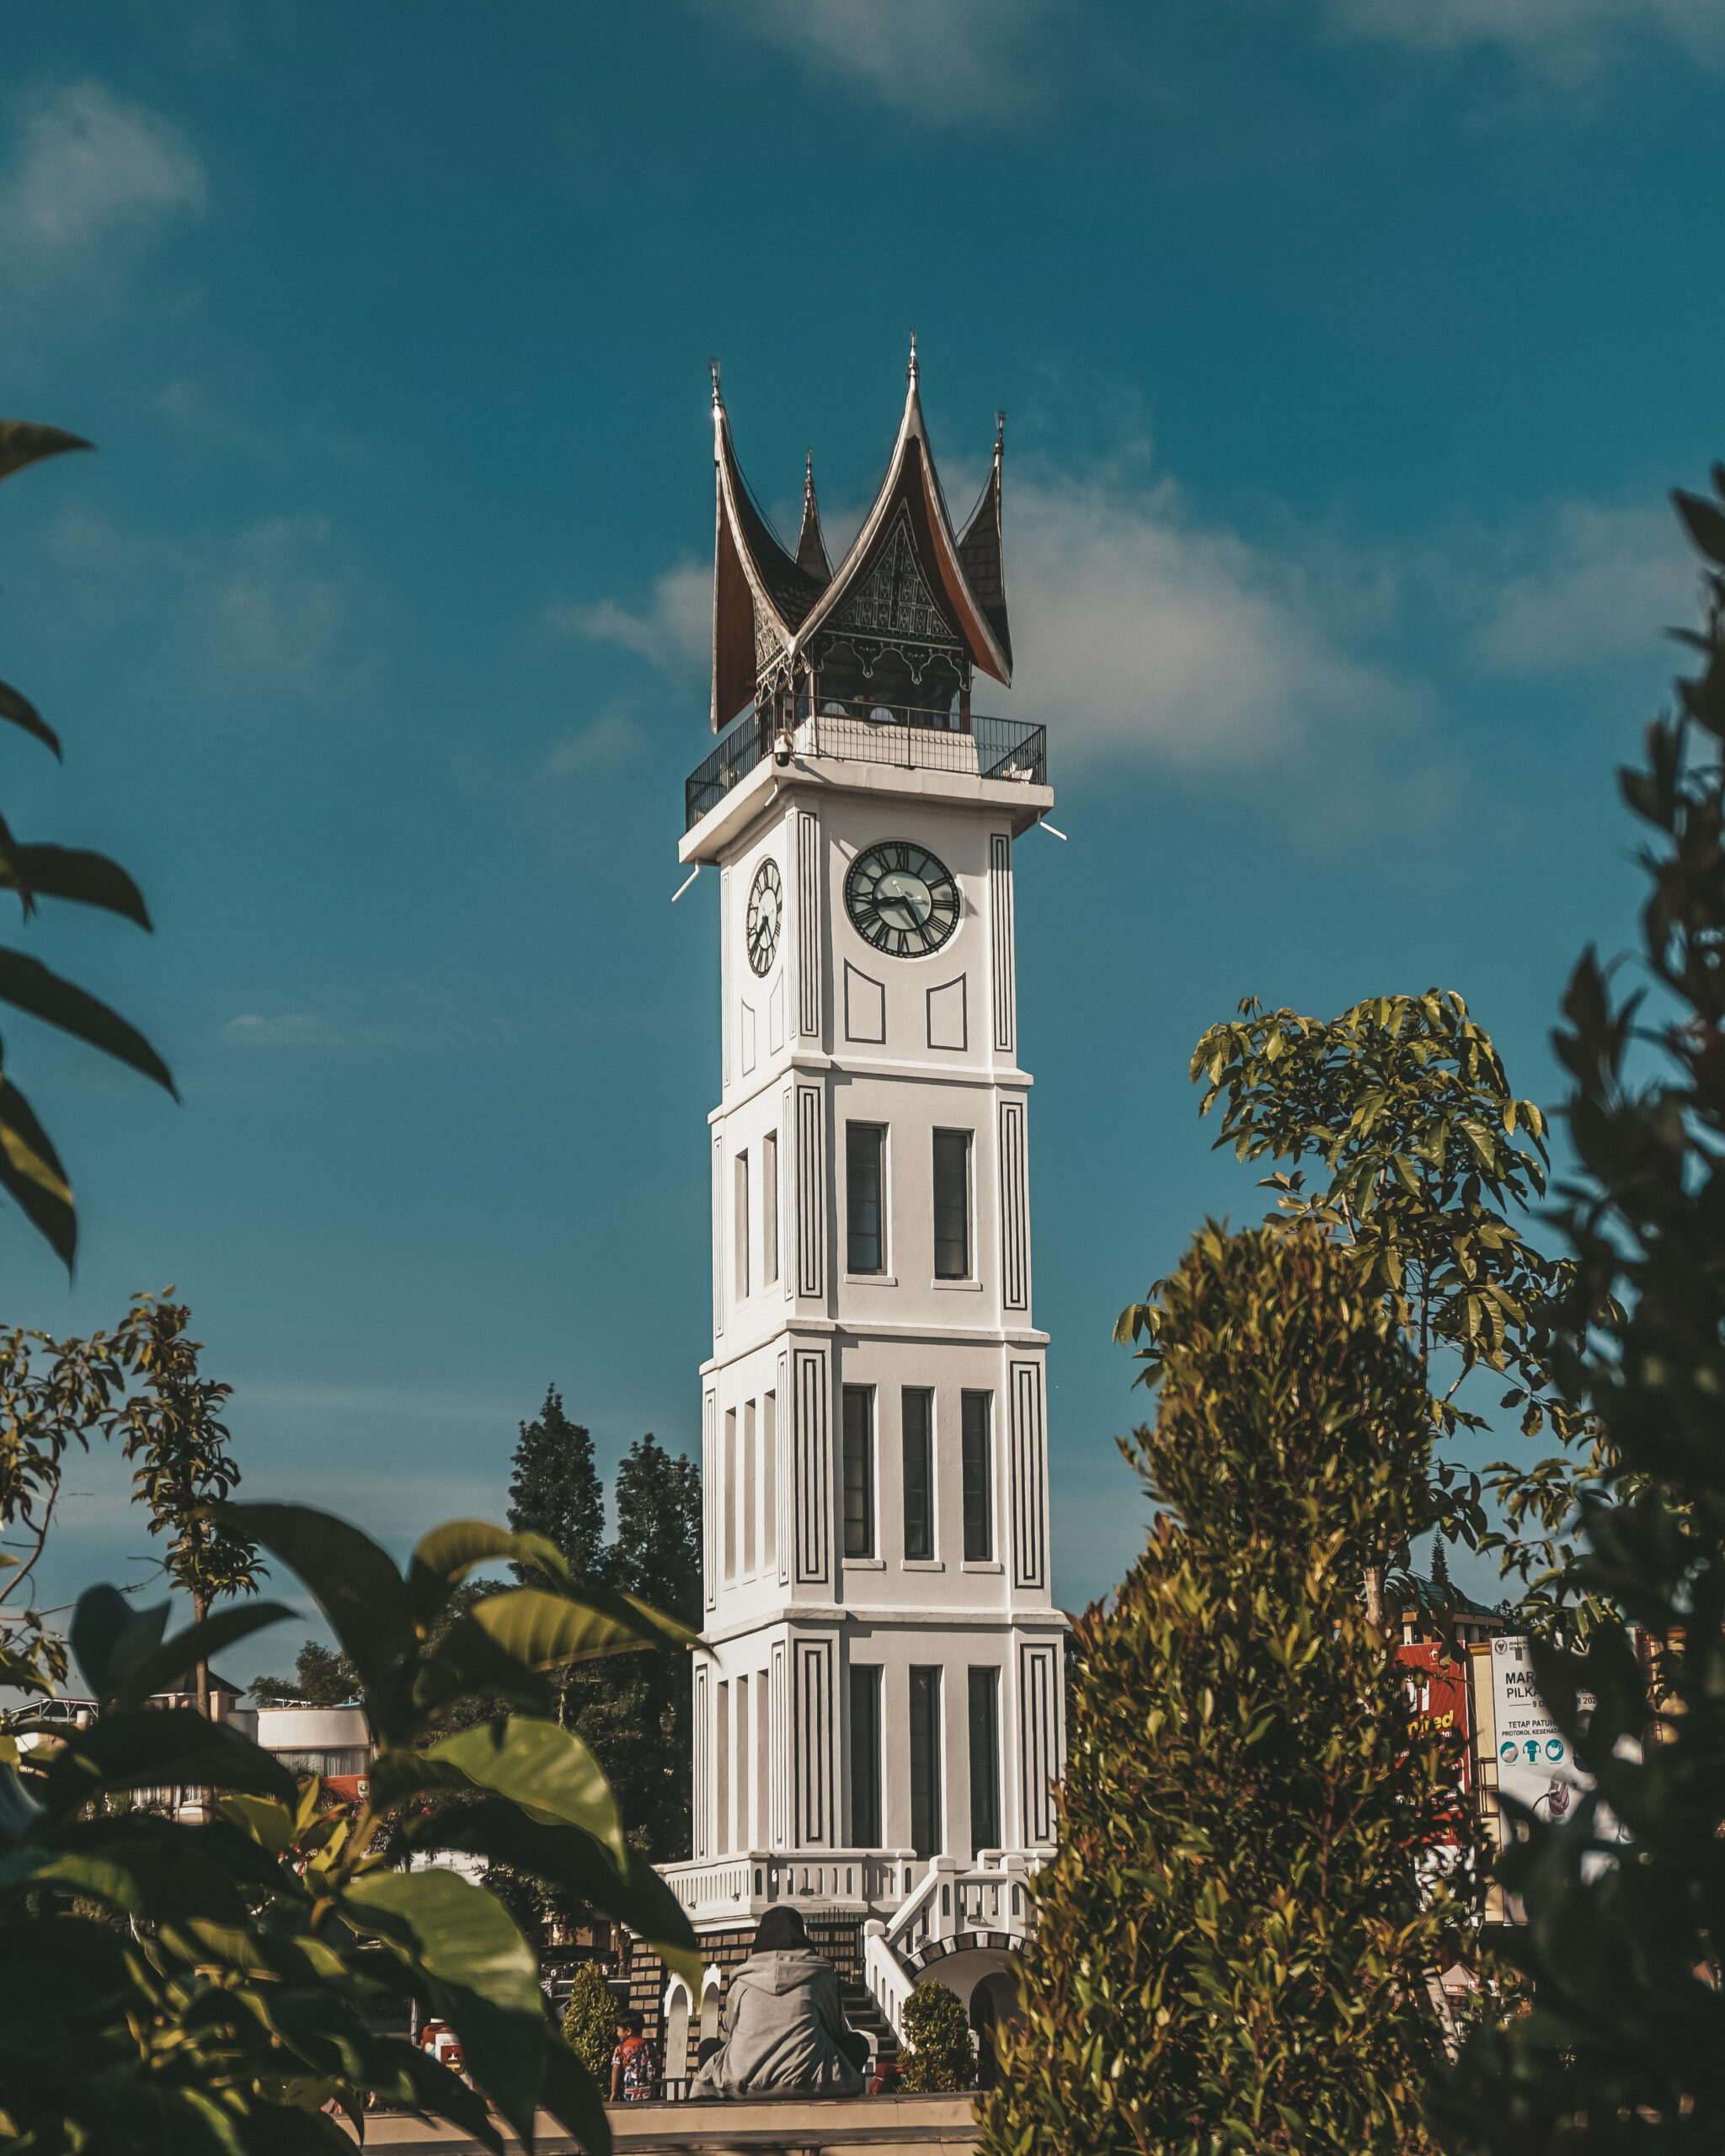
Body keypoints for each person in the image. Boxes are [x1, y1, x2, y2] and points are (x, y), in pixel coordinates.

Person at [693, 1906, 868, 2099]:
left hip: (743, 2083)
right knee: (858, 2044)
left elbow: (727, 2037)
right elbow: (837, 2032)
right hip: (813, 2081)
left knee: (708, 2048)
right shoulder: (821, 1975)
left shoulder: (742, 1980)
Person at [610, 2009, 659, 2103]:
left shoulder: (620, 2048)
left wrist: (614, 2091)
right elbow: (658, 2062)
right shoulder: (650, 2045)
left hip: (629, 2094)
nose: (617, 2034)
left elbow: (616, 2069)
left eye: (618, 2030)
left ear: (628, 2031)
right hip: (648, 2093)